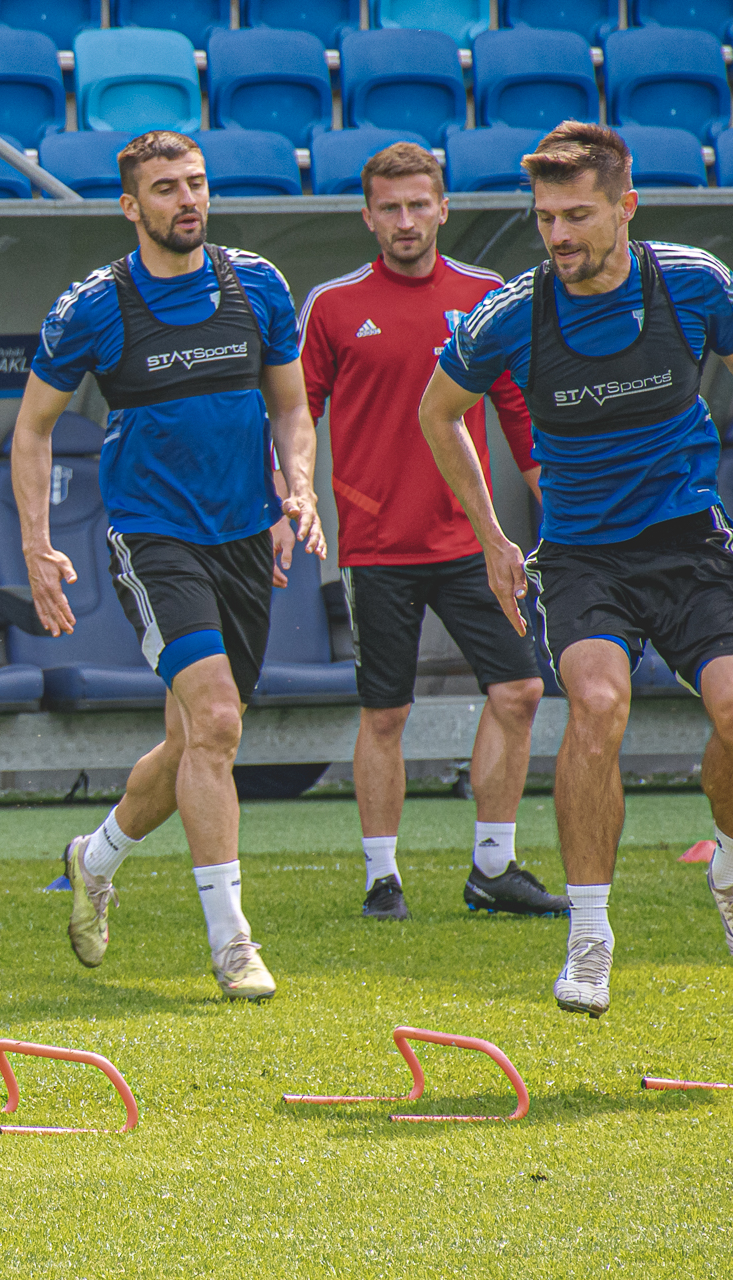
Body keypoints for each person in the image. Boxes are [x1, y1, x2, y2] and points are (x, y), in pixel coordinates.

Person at [420, 120, 733, 1018]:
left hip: (691, 545)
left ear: (626, 207)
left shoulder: (694, 283)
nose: (557, 235)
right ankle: (589, 937)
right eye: (545, 217)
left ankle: (726, 860)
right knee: (597, 703)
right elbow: (438, 412)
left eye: (577, 216)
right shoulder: (512, 314)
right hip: (584, 557)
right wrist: (493, 536)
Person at [11, 130, 322, 1002]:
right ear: (130, 205)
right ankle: (233, 944)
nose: (187, 199)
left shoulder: (258, 285)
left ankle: (94, 857)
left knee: (194, 742)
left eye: (196, 183)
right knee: (217, 720)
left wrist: (297, 489)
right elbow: (32, 430)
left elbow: (292, 409)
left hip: (243, 537)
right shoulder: (93, 307)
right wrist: (37, 545)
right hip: (153, 539)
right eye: (165, 188)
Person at [298, 141, 564, 922]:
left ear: (444, 208)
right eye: (391, 208)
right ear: (368, 217)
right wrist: (294, 493)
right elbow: (297, 409)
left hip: (473, 543)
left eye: (420, 204)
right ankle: (382, 879)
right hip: (377, 546)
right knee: (386, 713)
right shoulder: (333, 305)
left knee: (519, 690)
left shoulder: (486, 296)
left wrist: (558, 508)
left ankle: (493, 868)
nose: (406, 220)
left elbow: (518, 411)